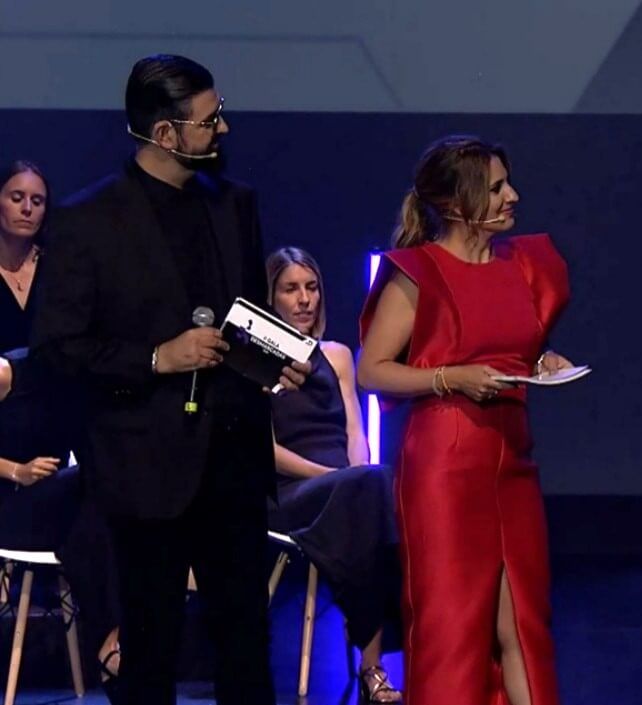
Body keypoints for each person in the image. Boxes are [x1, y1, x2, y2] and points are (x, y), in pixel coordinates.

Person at [30, 54, 306, 705]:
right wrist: (158, 357)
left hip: (233, 454)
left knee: (244, 637)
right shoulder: (89, 220)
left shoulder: (235, 203)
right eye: (210, 121)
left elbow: (242, 318)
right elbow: (58, 350)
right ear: (164, 134)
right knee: (149, 643)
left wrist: (275, 358)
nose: (224, 129)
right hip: (144, 462)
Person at [358, 134, 574, 705]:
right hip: (444, 471)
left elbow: (512, 350)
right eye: (496, 187)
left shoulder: (524, 266)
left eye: (508, 183)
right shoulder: (419, 272)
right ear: (454, 205)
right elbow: (372, 371)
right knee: (453, 627)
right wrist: (451, 377)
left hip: (512, 461)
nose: (512, 196)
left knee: (522, 624)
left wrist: (541, 362)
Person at [0, 160, 121, 689]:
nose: (27, 208)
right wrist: (14, 470)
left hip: (55, 446)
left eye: (38, 200)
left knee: (108, 492)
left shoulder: (57, 273)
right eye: (16, 197)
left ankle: (113, 640)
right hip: (10, 468)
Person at [265, 246, 402, 703]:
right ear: (272, 298)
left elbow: (354, 430)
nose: (305, 299)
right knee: (366, 495)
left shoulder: (338, 355)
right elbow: (265, 452)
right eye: (290, 289)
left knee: (372, 486)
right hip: (292, 491)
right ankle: (373, 668)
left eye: (312, 287)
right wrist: (333, 477)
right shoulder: (256, 365)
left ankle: (373, 663)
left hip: (344, 491)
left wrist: (352, 474)